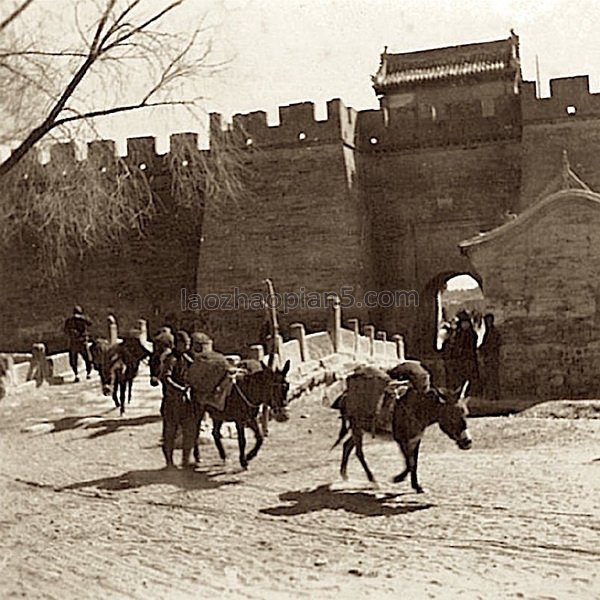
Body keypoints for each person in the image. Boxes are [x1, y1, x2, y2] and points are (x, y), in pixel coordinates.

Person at [160, 330, 195, 469]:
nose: (187, 346)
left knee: (189, 431)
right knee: (170, 433)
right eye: (185, 344)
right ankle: (169, 462)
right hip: (172, 402)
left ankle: (186, 460)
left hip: (185, 402)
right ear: (178, 344)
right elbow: (166, 378)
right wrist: (180, 389)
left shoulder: (186, 358)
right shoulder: (171, 359)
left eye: (189, 344)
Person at [63, 305, 93, 383]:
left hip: (76, 342)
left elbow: (65, 330)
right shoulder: (72, 320)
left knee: (75, 359)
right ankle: (85, 373)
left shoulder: (74, 320)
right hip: (80, 341)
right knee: (86, 358)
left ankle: (79, 374)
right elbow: (90, 323)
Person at [479, 313, 501, 401]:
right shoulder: (487, 332)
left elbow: (493, 345)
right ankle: (491, 395)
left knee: (492, 377)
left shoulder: (494, 332)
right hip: (488, 357)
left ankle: (494, 395)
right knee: (489, 377)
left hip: (492, 357)